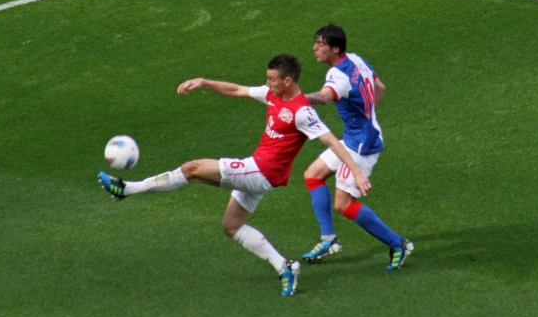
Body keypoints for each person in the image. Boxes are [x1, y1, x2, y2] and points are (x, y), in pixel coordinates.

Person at [98, 54, 371, 297]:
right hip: (259, 171)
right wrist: (204, 82)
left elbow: (333, 142)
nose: (268, 83)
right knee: (231, 226)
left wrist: (356, 174)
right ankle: (285, 267)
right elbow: (237, 90)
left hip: (261, 171)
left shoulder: (302, 112)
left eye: (272, 79)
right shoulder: (272, 94)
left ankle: (127, 189)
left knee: (192, 168)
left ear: (288, 80)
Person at [300, 24, 413, 270]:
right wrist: (367, 115)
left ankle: (398, 244)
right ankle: (329, 240)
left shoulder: (337, 76)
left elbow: (324, 97)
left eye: (321, 44)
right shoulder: (355, 59)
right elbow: (379, 87)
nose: (315, 48)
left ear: (335, 48)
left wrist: (292, 98)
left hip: (361, 146)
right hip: (357, 136)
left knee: (343, 204)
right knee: (312, 175)